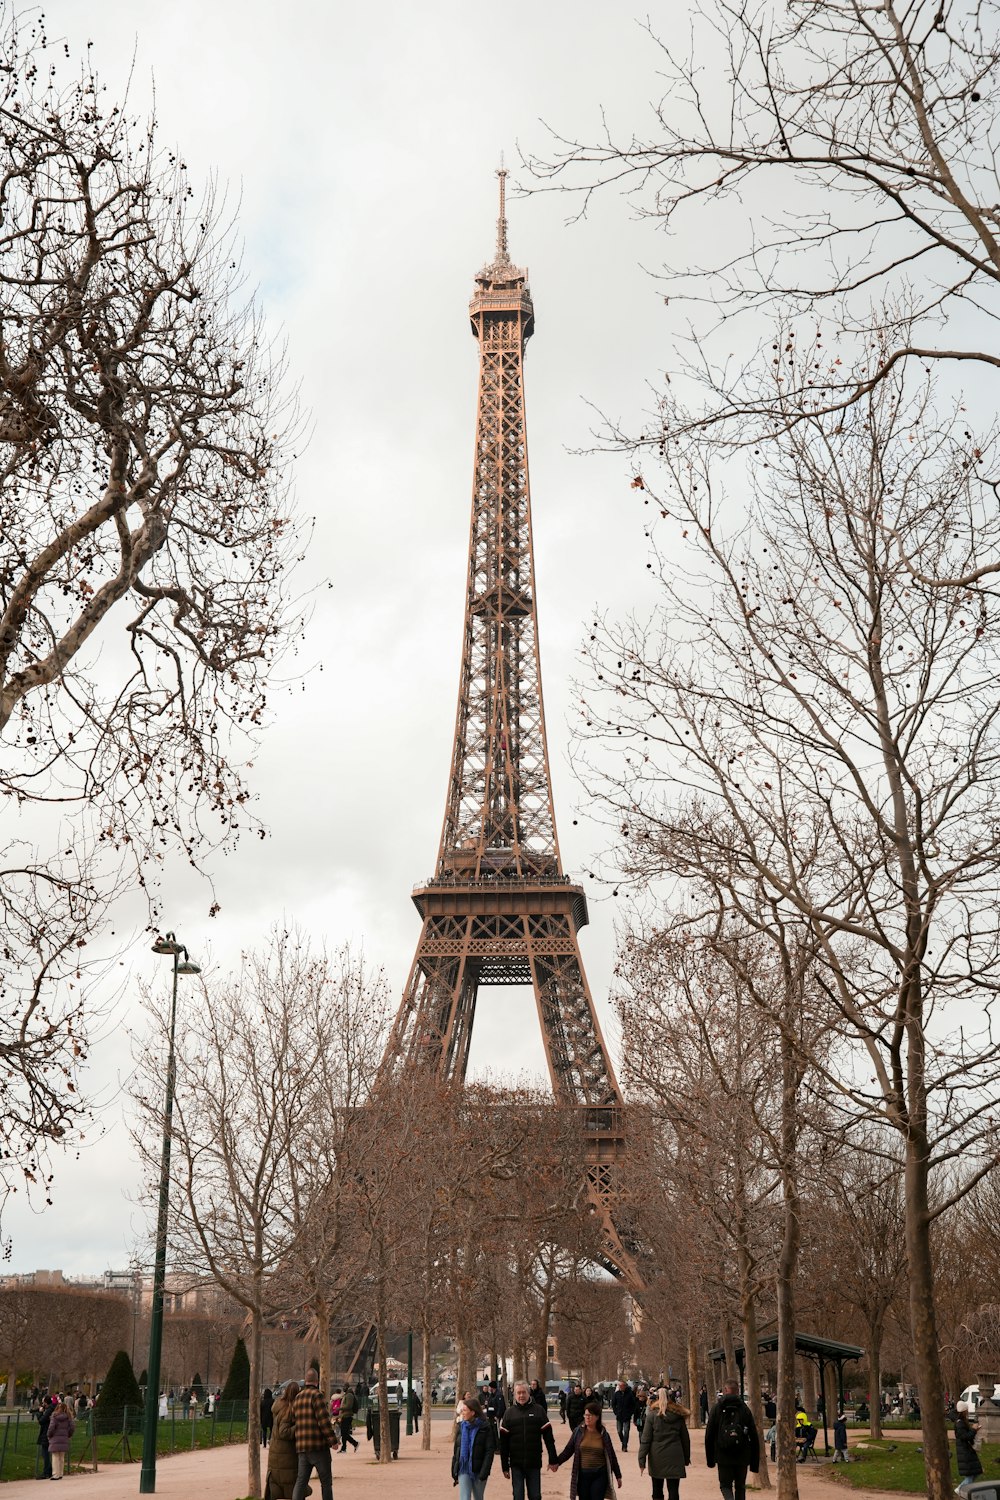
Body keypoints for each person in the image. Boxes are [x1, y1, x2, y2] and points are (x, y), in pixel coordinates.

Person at [499, 1379, 558, 1500]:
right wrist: (504, 1466)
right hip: (516, 1463)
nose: (521, 1395)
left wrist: (553, 1458)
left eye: (523, 1392)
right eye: (518, 1393)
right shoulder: (509, 1414)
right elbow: (503, 1444)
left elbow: (549, 1438)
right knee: (518, 1496)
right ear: (514, 1394)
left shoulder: (539, 1411)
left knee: (535, 1496)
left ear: (528, 1392)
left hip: (534, 1462)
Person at [553, 1399, 623, 1500]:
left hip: (600, 1474)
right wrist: (556, 1462)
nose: (587, 1418)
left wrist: (618, 1475)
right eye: (585, 1415)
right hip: (582, 1474)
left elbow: (611, 1455)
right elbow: (568, 1450)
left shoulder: (603, 1434)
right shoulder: (578, 1432)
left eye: (590, 1415)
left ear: (597, 1417)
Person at [705, 1378, 760, 1500]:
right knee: (740, 1487)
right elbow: (754, 1436)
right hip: (742, 1455)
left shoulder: (717, 1408)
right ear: (737, 1391)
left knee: (725, 1486)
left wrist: (710, 1460)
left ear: (725, 1390)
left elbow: (709, 1435)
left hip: (723, 1455)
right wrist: (754, 1463)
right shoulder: (745, 1409)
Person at [290, 1368, 336, 1500]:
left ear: (306, 1380)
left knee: (301, 1481)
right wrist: (333, 1440)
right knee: (326, 1482)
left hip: (302, 1446)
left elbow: (294, 1419)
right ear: (317, 1381)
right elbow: (323, 1421)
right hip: (317, 1446)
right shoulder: (317, 1395)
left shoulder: (297, 1397)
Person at [639, 1387, 691, 1500]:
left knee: (657, 1490)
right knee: (673, 1490)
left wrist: (641, 1460)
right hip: (675, 1455)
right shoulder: (678, 1416)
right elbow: (685, 1439)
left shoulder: (652, 1416)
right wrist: (686, 1458)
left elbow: (645, 1440)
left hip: (657, 1455)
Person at [452, 1396, 496, 1500]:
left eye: (465, 1410)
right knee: (464, 1498)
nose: (462, 1412)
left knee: (478, 1497)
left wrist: (484, 1471)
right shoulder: (460, 1427)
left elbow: (489, 1451)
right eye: (462, 1410)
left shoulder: (485, 1428)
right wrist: (454, 1469)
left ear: (473, 1412)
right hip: (464, 1468)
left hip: (479, 1470)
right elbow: (456, 1450)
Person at [265, 1380, 301, 1500]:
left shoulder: (278, 1406)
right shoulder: (288, 1410)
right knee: (292, 1487)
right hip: (286, 1455)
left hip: (275, 1451)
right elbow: (284, 1432)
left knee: (275, 1485)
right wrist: (299, 1425)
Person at [955, 1400, 984, 1495]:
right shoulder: (960, 1423)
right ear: (964, 1411)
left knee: (975, 1472)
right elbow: (965, 1437)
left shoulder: (961, 1423)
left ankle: (963, 1489)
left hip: (966, 1450)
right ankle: (960, 1489)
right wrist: (974, 1430)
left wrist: (973, 1429)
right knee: (970, 1475)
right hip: (965, 1451)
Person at [46, 1398, 75, 1481]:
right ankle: (61, 1473)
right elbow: (72, 1427)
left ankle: (55, 1474)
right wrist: (68, 1434)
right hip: (64, 1438)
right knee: (62, 1457)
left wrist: (49, 1435)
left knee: (55, 1456)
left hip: (55, 1438)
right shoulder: (68, 1417)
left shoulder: (54, 1416)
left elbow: (51, 1428)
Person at [611, 1379, 637, 1452]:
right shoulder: (616, 1394)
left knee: (626, 1431)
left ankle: (624, 1446)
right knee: (619, 1431)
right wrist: (615, 1411)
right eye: (620, 1386)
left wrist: (630, 1413)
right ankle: (623, 1442)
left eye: (622, 1386)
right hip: (619, 1415)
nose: (621, 1387)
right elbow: (613, 1404)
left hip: (627, 1416)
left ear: (625, 1386)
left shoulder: (630, 1394)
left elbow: (633, 1405)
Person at [36, 1397, 54, 1480]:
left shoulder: (49, 1410)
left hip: (46, 1432)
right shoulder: (52, 1408)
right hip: (48, 1432)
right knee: (46, 1453)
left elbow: (41, 1421)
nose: (43, 1405)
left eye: (43, 1403)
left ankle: (47, 1471)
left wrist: (40, 1413)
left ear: (46, 1403)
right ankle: (49, 1470)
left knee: (45, 1453)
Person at [339, 1382, 359, 1452]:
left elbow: (348, 1406)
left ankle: (354, 1443)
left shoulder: (349, 1395)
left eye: (344, 1386)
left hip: (347, 1416)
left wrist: (340, 1408)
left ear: (347, 1387)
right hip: (344, 1415)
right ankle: (344, 1448)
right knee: (344, 1433)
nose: (343, 1388)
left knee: (344, 1433)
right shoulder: (346, 1395)